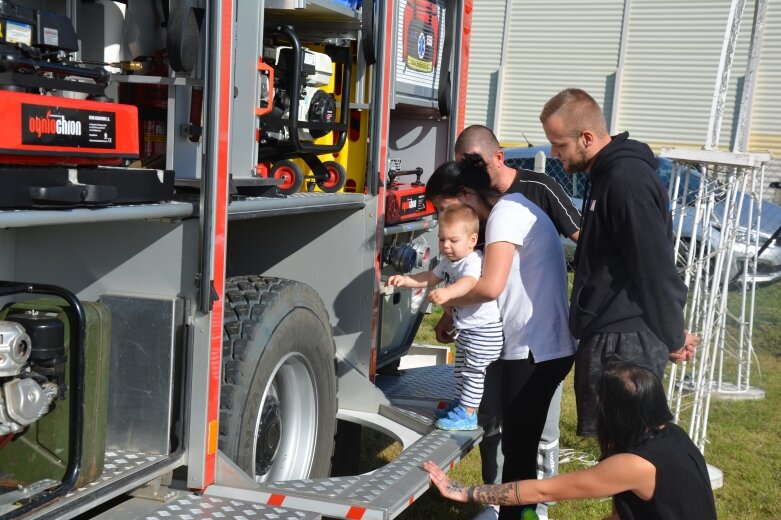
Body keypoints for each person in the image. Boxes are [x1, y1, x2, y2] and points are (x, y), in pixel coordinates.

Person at [539, 88, 697, 438]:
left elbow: (655, 268)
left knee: (631, 454)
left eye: (559, 145)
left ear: (587, 137)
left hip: (626, 343)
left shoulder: (626, 181)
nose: (553, 153)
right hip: (612, 335)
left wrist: (673, 336)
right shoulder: (607, 175)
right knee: (617, 452)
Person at [425, 160, 576, 519]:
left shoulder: (506, 215)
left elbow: (489, 287)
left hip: (535, 347)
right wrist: (451, 313)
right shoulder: (503, 213)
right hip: (528, 345)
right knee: (516, 448)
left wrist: (447, 299)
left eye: (444, 209)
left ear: (464, 196)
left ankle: (524, 513)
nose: (443, 222)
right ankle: (511, 510)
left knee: (520, 452)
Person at [423, 361, 718, 520]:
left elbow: (541, 490)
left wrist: (466, 493)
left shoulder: (635, 464)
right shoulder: (672, 434)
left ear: (617, 413)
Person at [388, 204, 503, 431]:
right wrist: (407, 280)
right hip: (467, 329)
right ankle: (462, 404)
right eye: (442, 240)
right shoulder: (449, 262)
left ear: (472, 240)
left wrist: (447, 294)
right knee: (460, 369)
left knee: (473, 372)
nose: (446, 246)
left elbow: (468, 283)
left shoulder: (472, 260)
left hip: (483, 330)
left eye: (453, 240)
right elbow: (430, 276)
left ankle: (469, 414)